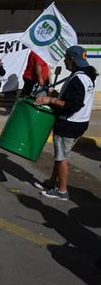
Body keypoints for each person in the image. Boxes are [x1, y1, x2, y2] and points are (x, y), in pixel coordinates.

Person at [34, 45, 97, 200]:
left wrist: (50, 99)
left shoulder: (78, 79)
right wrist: (57, 96)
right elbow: (74, 99)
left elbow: (73, 105)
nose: (65, 61)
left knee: (62, 158)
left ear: (72, 60)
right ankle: (51, 182)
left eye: (66, 59)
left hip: (69, 124)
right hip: (79, 123)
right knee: (60, 155)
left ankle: (62, 191)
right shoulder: (86, 76)